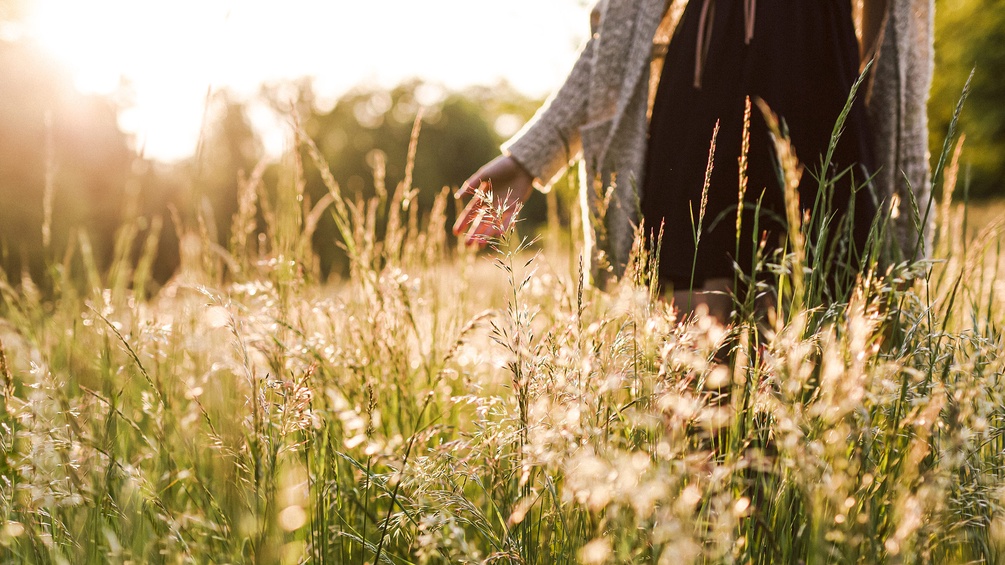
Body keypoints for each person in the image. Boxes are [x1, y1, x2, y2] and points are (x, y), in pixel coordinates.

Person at [452, 0, 933, 318]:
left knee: (810, 329)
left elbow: (897, 24)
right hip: (701, 91)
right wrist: (531, 156)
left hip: (818, 84)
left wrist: (870, 117)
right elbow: (620, 33)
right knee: (696, 348)